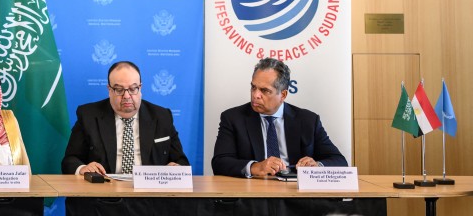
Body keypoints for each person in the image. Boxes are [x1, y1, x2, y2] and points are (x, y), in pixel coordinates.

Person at [211, 58, 347, 177]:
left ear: (283, 95)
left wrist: (317, 166)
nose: (255, 95)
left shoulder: (308, 120)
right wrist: (255, 167)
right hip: (253, 196)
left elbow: (339, 161)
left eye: (264, 90)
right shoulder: (233, 118)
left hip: (296, 195)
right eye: (253, 87)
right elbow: (219, 163)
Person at [61, 60, 189, 175]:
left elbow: (181, 161)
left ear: (140, 88)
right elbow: (70, 161)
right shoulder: (88, 116)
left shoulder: (162, 117)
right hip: (104, 194)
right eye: (119, 89)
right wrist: (83, 168)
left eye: (133, 88)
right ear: (109, 90)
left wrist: (177, 167)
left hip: (149, 196)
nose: (127, 96)